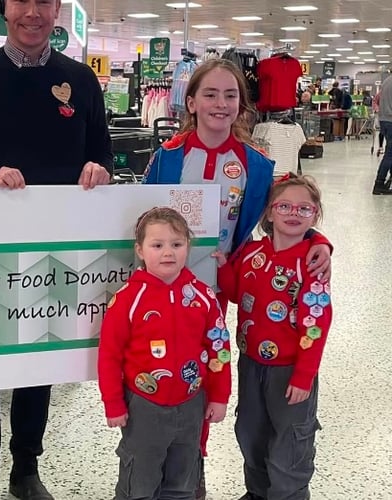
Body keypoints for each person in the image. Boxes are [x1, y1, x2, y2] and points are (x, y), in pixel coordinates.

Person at [0, 0, 112, 497]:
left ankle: (25, 470)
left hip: (55, 252)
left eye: (44, 1)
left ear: (57, 9)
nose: (32, 11)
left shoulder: (80, 80)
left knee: (39, 364)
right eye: (21, 1)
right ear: (2, 9)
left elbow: (100, 151)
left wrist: (99, 169)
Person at [144, 58, 332, 500]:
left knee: (207, 375)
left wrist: (319, 239)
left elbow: (292, 210)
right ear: (190, 102)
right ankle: (177, 471)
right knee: (166, 376)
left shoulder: (257, 165)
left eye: (231, 95)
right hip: (167, 289)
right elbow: (137, 216)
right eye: (210, 94)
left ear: (242, 106)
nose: (221, 103)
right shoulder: (167, 158)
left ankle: (194, 473)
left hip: (223, 291)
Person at [98, 207, 231, 500]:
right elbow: (109, 355)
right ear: (140, 250)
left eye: (177, 244)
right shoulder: (127, 300)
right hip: (143, 406)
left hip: (192, 403)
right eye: (157, 245)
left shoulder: (204, 296)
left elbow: (219, 348)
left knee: (183, 483)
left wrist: (220, 396)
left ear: (188, 247)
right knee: (139, 483)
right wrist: (113, 402)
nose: (167, 252)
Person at [213, 173, 332, 500]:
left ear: (315, 215)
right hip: (250, 364)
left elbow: (316, 323)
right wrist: (224, 267)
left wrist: (304, 375)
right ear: (268, 212)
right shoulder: (252, 252)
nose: (294, 213)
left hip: (290, 371)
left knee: (290, 440)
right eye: (284, 206)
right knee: (251, 432)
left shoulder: (312, 261)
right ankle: (258, 492)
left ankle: (288, 495)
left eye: (304, 209)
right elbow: (239, 294)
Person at [372, 75, 392, 194]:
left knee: (390, 152)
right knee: (390, 154)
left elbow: (377, 100)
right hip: (391, 120)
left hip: (384, 120)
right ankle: (379, 183)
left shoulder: (386, 81)